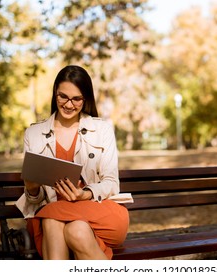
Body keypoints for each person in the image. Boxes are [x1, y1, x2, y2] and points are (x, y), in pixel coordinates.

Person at [15, 65, 133, 260]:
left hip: (98, 211)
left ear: (85, 98)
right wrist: (32, 189)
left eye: (76, 99)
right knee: (74, 230)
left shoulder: (101, 129)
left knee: (49, 214)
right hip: (57, 220)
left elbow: (112, 183)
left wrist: (84, 194)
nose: (69, 104)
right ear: (55, 93)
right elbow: (34, 198)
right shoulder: (34, 134)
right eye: (63, 96)